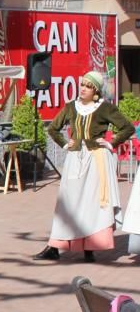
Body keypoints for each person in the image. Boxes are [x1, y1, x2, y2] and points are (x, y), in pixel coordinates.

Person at [33, 71, 136, 262]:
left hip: (97, 160)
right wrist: (65, 144)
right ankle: (54, 247)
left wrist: (111, 142)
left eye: (88, 86)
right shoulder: (72, 107)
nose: (83, 89)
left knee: (92, 204)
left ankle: (90, 248)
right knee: (67, 203)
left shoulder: (104, 108)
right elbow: (53, 128)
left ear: (96, 90)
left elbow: (127, 128)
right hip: (75, 159)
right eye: (82, 85)